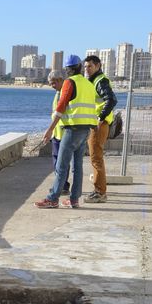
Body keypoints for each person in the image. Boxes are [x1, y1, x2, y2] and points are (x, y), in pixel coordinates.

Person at [35, 54, 97, 209]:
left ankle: (52, 198)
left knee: (61, 166)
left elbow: (61, 107)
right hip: (85, 129)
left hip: (72, 129)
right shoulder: (89, 84)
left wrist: (50, 129)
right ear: (80, 67)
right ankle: (74, 199)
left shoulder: (70, 82)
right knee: (77, 167)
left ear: (67, 70)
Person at [83, 55, 117, 204]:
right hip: (96, 124)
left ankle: (100, 192)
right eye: (85, 67)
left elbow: (111, 100)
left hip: (99, 125)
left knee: (96, 158)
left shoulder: (100, 81)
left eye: (89, 66)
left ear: (98, 66)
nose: (87, 69)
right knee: (95, 158)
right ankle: (99, 190)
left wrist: (100, 118)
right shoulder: (93, 81)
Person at [46, 69, 71, 195]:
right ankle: (60, 184)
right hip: (57, 133)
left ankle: (63, 186)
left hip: (63, 133)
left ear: (60, 80)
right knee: (57, 162)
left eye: (53, 83)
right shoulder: (58, 93)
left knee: (62, 163)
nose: (52, 86)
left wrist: (50, 130)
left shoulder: (65, 93)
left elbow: (61, 113)